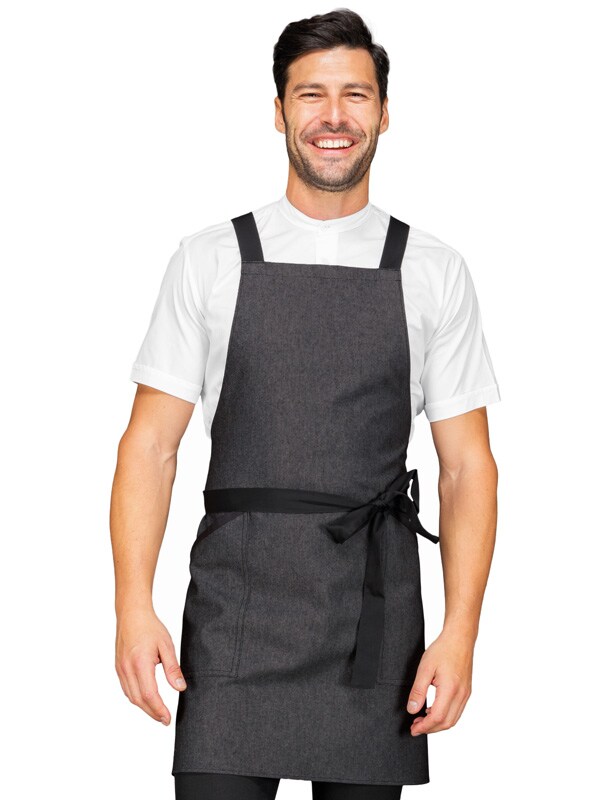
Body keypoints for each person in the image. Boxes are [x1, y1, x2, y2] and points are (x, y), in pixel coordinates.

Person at [110, 8, 500, 799]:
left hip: (372, 619)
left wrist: (460, 632)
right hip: (235, 613)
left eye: (355, 95)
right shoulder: (208, 260)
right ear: (279, 111)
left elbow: (467, 468)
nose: (333, 116)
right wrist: (131, 607)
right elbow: (149, 447)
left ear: (384, 113)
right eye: (311, 95)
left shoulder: (433, 270)